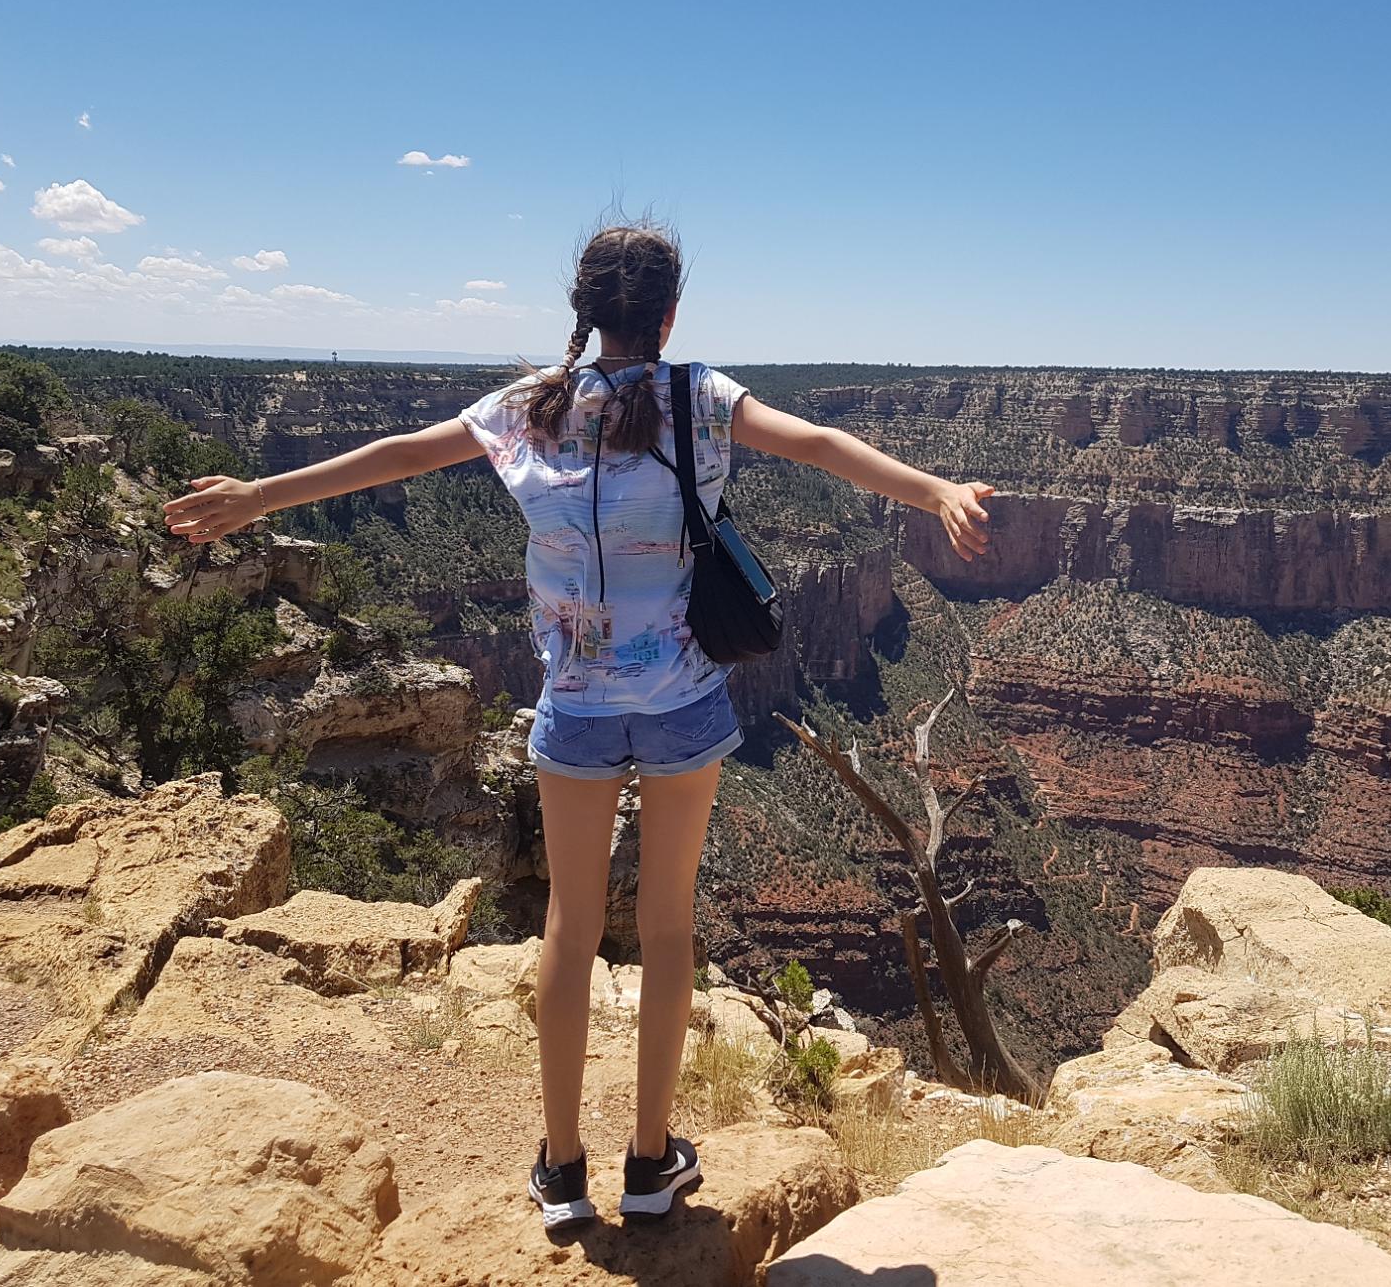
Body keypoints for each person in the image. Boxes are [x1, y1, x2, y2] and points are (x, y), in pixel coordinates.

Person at [162, 219, 995, 1229]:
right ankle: (650, 1163)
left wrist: (260, 496)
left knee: (569, 923)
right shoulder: (699, 398)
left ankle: (561, 1170)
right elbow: (818, 445)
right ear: (669, 315)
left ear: (586, 312)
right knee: (667, 926)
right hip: (682, 701)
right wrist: (933, 491)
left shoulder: (528, 408)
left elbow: (396, 458)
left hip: (576, 707)